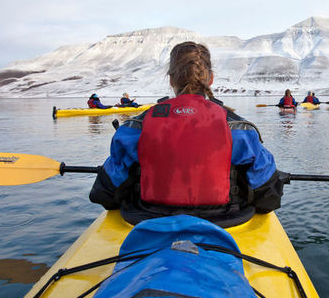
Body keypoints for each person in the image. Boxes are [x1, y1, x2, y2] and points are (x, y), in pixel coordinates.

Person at [89, 41, 287, 227]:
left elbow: (104, 194)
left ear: (171, 79)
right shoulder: (239, 129)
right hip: (227, 222)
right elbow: (269, 198)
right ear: (211, 78)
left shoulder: (135, 128)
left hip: (146, 219)